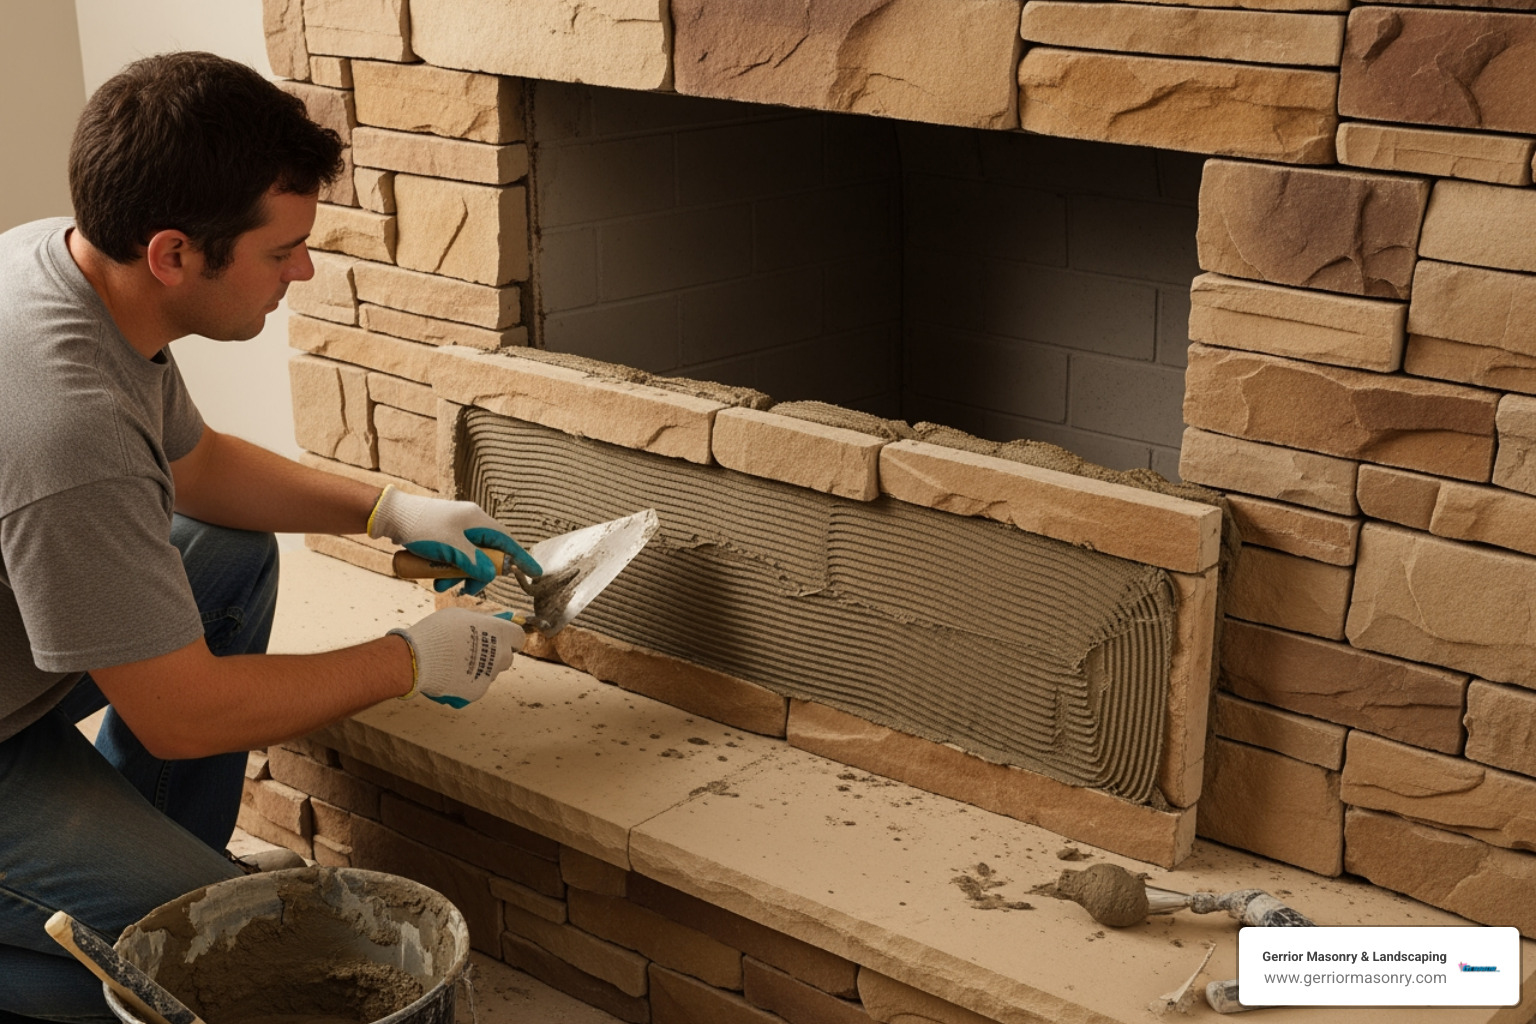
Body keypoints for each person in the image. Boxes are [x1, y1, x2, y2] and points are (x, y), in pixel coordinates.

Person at [0, 52, 534, 1021]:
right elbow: (182, 717)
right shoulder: (69, 427)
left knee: (228, 557)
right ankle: (147, 918)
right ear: (173, 254)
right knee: (207, 972)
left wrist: (389, 507)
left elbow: (196, 465)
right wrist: (409, 657)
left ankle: (170, 867)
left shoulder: (67, 266)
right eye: (282, 250)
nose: (305, 269)